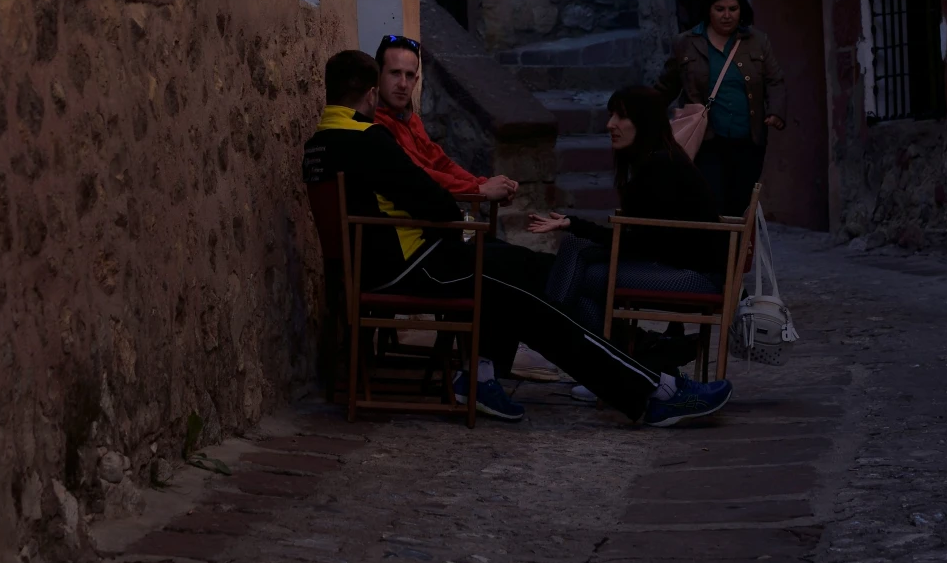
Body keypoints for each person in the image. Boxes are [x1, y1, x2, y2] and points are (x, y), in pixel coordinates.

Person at [302, 49, 732, 428]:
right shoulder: (368, 138)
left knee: (525, 275)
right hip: (412, 267)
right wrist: (452, 215)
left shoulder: (319, 144)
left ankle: (487, 375)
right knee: (530, 302)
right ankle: (652, 392)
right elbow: (432, 202)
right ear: (371, 94)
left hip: (390, 266)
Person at [526, 86, 725, 338]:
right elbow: (645, 240)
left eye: (621, 116)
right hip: (671, 263)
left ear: (644, 121)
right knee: (575, 260)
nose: (610, 124)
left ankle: (549, 340)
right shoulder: (653, 161)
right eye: (611, 115)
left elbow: (644, 244)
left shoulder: (662, 165)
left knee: (578, 275)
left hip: (695, 277)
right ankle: (624, 356)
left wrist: (576, 225)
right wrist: (573, 225)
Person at [658, 0, 785, 217]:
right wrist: (640, 115)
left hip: (748, 139)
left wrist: (775, 111)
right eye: (720, 9)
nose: (727, 15)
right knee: (711, 200)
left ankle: (734, 254)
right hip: (706, 140)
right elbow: (666, 86)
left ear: (741, 10)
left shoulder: (757, 42)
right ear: (709, 11)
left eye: (733, 9)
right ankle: (716, 252)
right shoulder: (686, 44)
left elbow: (775, 80)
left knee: (739, 204)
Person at [368, 34, 519, 205]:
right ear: (378, 75)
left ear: (416, 80)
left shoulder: (411, 120)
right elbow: (420, 175)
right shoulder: (374, 125)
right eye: (395, 73)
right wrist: (478, 189)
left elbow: (441, 163)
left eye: (409, 75)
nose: (403, 84)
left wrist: (483, 184)